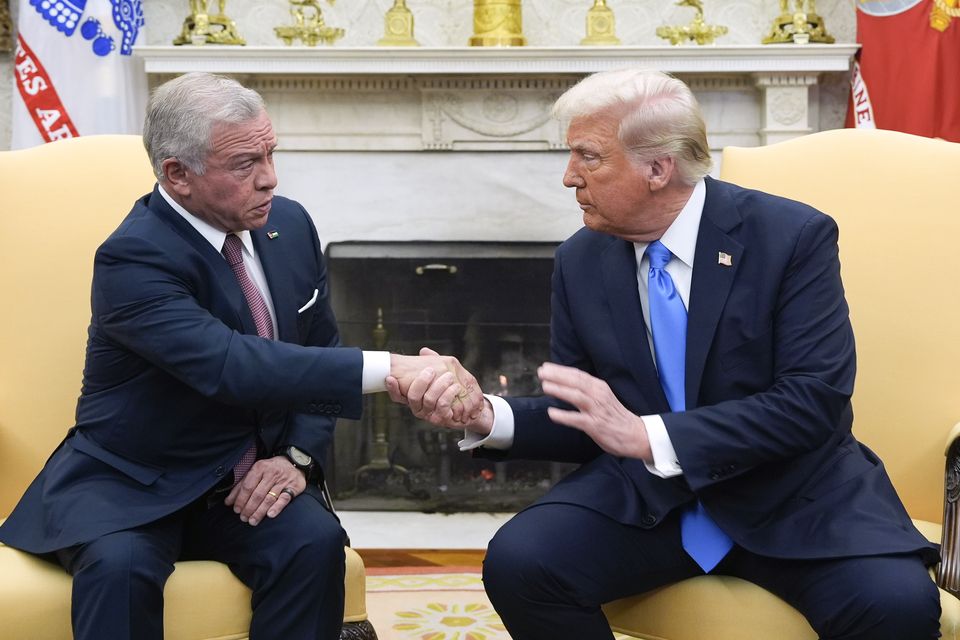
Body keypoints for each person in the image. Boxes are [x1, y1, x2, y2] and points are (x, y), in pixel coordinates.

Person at [392, 68, 941, 639]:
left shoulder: (790, 237)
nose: (568, 177)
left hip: (795, 498)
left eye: (589, 156)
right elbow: (592, 415)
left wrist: (652, 437)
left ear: (658, 168)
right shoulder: (582, 259)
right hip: (652, 499)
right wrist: (487, 413)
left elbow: (812, 402)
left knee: (896, 606)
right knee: (522, 562)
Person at [0, 72, 480, 640]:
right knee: (119, 571)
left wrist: (297, 458)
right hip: (134, 483)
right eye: (244, 164)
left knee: (314, 542)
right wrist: (391, 368)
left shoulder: (291, 225)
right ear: (177, 174)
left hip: (246, 479)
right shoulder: (133, 258)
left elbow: (315, 350)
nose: (269, 179)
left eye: (271, 154)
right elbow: (233, 365)